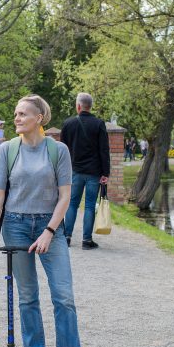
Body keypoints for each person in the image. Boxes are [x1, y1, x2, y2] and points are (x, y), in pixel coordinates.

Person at [0, 94, 89, 347]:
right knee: (28, 296)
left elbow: (65, 196)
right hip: (15, 225)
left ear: (39, 118)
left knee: (63, 296)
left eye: (23, 114)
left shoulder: (58, 150)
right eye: (15, 113)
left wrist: (49, 232)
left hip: (49, 226)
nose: (16, 118)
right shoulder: (7, 150)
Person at [61, 92, 110, 249]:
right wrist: (105, 173)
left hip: (74, 171)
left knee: (72, 204)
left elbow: (63, 150)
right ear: (90, 106)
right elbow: (104, 150)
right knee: (89, 205)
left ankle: (66, 237)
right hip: (93, 172)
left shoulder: (68, 124)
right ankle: (86, 240)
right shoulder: (99, 124)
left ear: (78, 106)